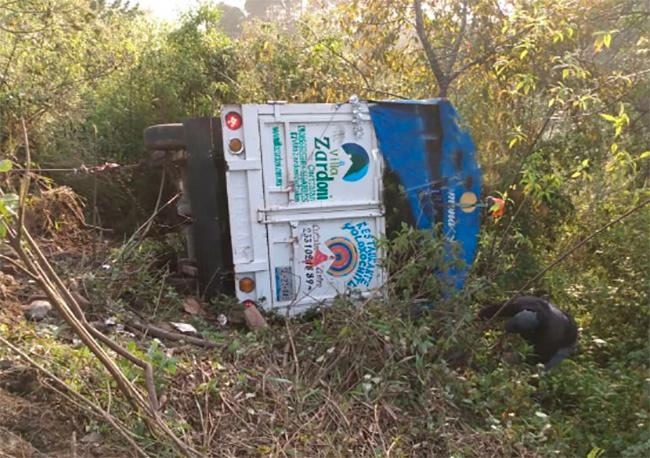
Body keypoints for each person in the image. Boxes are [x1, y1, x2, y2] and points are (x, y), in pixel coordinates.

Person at [478, 296, 578, 370]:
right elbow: (501, 308)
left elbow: (537, 356)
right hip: (551, 318)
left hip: (567, 339)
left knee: (542, 371)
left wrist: (512, 359)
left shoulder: (548, 337)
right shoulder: (525, 303)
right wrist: (480, 315)